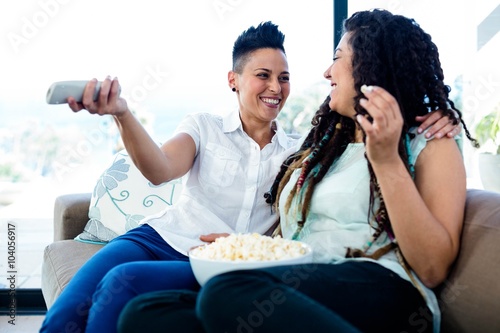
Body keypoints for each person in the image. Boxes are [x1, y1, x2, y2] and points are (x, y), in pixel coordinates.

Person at [40, 20, 458, 333]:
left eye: (285, 77)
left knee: (185, 289)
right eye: (263, 75)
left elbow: (431, 263)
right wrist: (122, 113)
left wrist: (398, 144)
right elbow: (160, 170)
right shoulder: (310, 151)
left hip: (284, 274)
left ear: (372, 68)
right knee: (134, 307)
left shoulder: (310, 150)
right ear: (233, 81)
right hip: (182, 244)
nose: (324, 73)